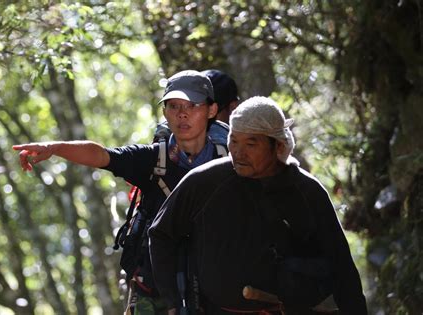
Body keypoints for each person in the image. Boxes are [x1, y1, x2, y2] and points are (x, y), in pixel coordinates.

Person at [13, 70, 228, 315]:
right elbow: (103, 156)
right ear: (165, 113)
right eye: (173, 106)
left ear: (211, 110)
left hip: (218, 287)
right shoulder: (151, 160)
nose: (182, 114)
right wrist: (54, 148)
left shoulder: (231, 162)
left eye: (192, 105)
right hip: (155, 290)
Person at [149, 96, 368, 315]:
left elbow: (341, 266)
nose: (239, 152)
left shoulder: (308, 192)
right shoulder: (204, 182)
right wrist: (173, 303)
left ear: (278, 145)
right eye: (234, 141)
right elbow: (161, 234)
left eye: (251, 144)